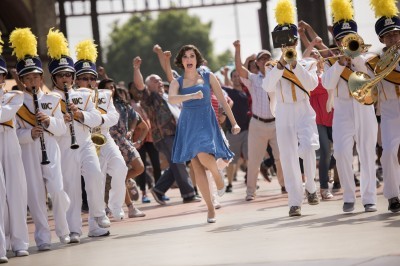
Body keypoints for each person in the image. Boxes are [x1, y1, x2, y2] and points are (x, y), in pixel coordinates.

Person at [12, 28, 71, 251]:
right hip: (29, 153)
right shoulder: (16, 102)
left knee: (56, 190)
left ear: (41, 77)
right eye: (28, 77)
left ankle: (63, 231)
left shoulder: (51, 99)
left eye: (36, 76)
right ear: (22, 80)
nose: (33, 80)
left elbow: (61, 128)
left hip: (51, 151)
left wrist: (48, 122)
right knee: (36, 197)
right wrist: (29, 134)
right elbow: (14, 134)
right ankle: (43, 238)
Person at [168, 44, 240, 223]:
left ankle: (217, 176)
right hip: (188, 124)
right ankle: (210, 209)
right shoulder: (177, 82)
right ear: (181, 61)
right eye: (185, 57)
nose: (188, 59)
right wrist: (189, 97)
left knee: (202, 154)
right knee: (196, 165)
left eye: (191, 56)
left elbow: (223, 100)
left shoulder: (209, 76)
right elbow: (171, 98)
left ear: (196, 59)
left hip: (207, 121)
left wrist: (234, 123)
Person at [263, 0, 320, 217]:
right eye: (283, 43)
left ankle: (311, 187)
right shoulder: (272, 66)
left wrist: (295, 64)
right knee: (287, 157)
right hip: (284, 111)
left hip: (303, 109)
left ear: (296, 41)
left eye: (290, 41)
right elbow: (267, 86)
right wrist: (280, 65)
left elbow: (312, 85)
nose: (287, 45)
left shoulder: (307, 63)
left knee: (307, 148)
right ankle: (294, 202)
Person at [51, 38, 111, 241]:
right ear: (54, 78)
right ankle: (74, 229)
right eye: (61, 75)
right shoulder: (49, 98)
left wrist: (79, 115)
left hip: (85, 141)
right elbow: (49, 126)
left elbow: (97, 118)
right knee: (71, 187)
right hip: (65, 145)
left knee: (95, 174)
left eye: (69, 74)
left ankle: (98, 214)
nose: (65, 78)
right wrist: (62, 118)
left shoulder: (84, 95)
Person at [322, 0, 378, 213]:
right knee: (342, 153)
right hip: (343, 109)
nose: (345, 41)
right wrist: (341, 63)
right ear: (336, 40)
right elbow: (327, 84)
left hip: (364, 108)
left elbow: (373, 79)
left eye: (349, 38)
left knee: (366, 153)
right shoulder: (330, 61)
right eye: (341, 38)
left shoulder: (368, 58)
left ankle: (369, 198)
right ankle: (348, 195)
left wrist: (356, 59)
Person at [133, 56, 200, 205]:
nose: (159, 82)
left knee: (177, 164)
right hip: (165, 136)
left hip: (179, 134)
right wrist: (137, 69)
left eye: (159, 80)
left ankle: (158, 190)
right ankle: (188, 194)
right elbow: (139, 85)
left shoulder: (168, 96)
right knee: (179, 162)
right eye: (155, 81)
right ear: (149, 86)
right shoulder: (150, 98)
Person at [233, 42, 285, 201]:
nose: (264, 61)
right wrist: (238, 50)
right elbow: (240, 69)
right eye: (262, 59)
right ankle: (250, 191)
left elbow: (285, 63)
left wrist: (285, 51)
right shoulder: (254, 79)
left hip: (276, 123)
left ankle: (285, 185)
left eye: (268, 58)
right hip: (257, 124)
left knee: (281, 157)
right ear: (257, 63)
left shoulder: (278, 76)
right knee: (254, 161)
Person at [368, 0, 400, 212]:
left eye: (396, 33)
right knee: (388, 152)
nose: (394, 38)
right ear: (381, 38)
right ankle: (393, 196)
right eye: (388, 35)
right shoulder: (375, 60)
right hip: (390, 112)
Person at [0, 34, 29, 260]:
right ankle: (1, 247)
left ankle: (19, 242)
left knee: (16, 193)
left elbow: (6, 114)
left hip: (9, 143)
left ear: (3, 78)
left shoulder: (14, 96)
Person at [103, 82, 147, 218]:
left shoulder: (122, 104)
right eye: (108, 87)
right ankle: (131, 208)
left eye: (112, 86)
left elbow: (140, 122)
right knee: (119, 176)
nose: (111, 89)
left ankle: (121, 181)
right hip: (109, 143)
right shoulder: (99, 104)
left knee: (139, 167)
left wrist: (133, 132)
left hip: (124, 141)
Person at [301, 32, 335, 200]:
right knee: (325, 152)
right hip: (317, 118)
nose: (314, 55)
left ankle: (329, 177)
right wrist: (311, 45)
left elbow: (332, 54)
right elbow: (302, 60)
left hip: (333, 115)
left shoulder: (328, 71)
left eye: (317, 54)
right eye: (312, 55)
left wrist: (317, 44)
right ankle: (323, 188)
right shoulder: (309, 76)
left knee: (341, 152)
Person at [223, 69, 251, 192]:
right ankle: (229, 184)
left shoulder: (247, 92)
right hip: (233, 132)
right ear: (231, 78)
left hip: (247, 130)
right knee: (231, 160)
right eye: (234, 76)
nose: (236, 78)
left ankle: (250, 181)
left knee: (250, 158)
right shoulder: (228, 92)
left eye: (238, 76)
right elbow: (221, 88)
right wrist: (224, 75)